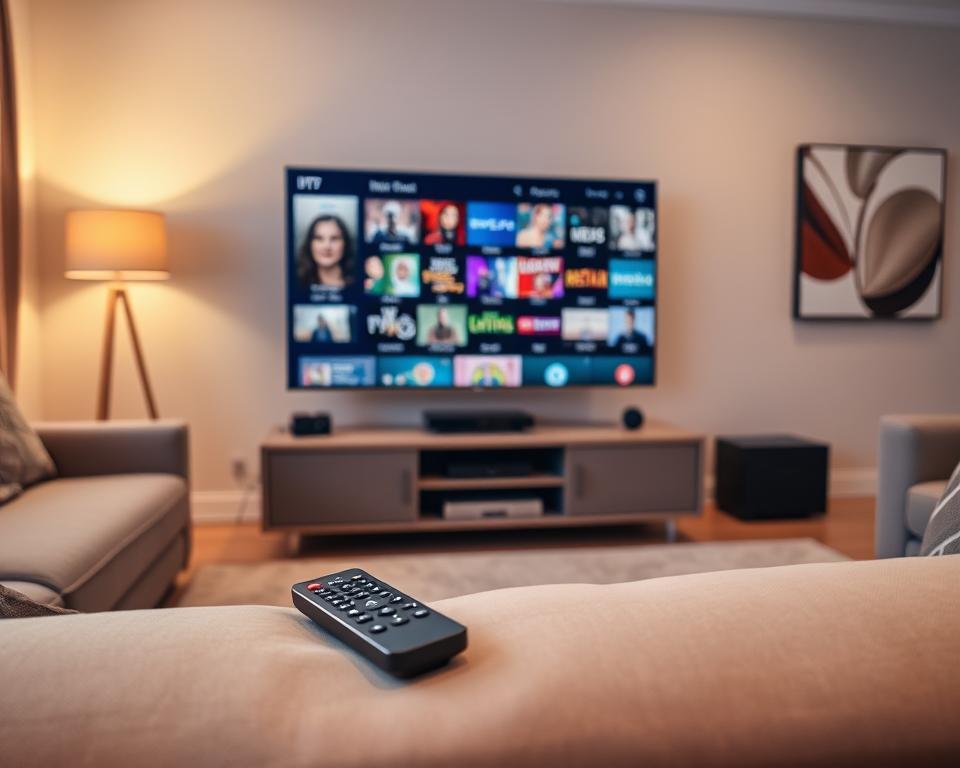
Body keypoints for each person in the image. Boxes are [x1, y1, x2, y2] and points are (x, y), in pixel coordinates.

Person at [297, 215, 354, 289]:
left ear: (345, 243)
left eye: (334, 238)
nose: (327, 246)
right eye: (319, 238)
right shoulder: (296, 284)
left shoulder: (360, 283)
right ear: (309, 244)